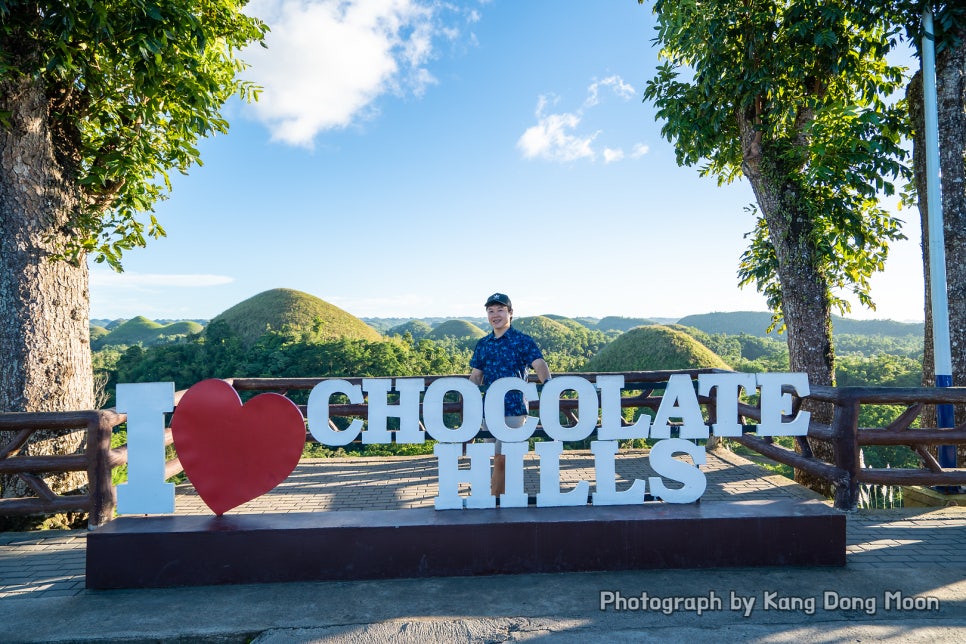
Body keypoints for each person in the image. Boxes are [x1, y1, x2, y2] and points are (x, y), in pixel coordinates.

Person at [469, 293, 551, 496]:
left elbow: (539, 364)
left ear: (510, 313)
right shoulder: (483, 343)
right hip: (490, 409)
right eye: (491, 311)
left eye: (500, 310)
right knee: (496, 456)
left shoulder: (522, 340)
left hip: (514, 407)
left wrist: (548, 386)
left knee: (506, 456)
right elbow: (476, 375)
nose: (495, 315)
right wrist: (468, 401)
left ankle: (496, 498)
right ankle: (500, 496)